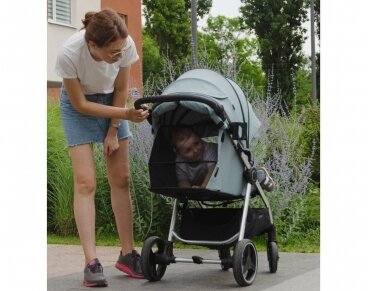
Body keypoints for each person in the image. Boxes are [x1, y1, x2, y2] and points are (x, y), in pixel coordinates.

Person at [55, 9, 148, 287]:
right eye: (113, 52)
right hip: (78, 106)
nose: (119, 55)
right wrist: (125, 116)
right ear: (92, 45)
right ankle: (91, 263)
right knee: (85, 182)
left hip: (112, 100)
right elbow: (81, 105)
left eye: (121, 50)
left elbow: (121, 89)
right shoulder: (69, 53)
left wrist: (113, 129)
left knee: (122, 179)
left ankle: (128, 254)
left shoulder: (125, 44)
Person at [171, 127, 275, 192]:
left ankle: (260, 177)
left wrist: (203, 188)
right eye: (188, 150)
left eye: (197, 143)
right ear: (179, 154)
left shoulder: (208, 149)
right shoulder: (179, 163)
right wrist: (187, 192)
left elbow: (211, 170)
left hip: (226, 170)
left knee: (241, 182)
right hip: (206, 182)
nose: (195, 150)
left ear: (200, 138)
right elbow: (182, 181)